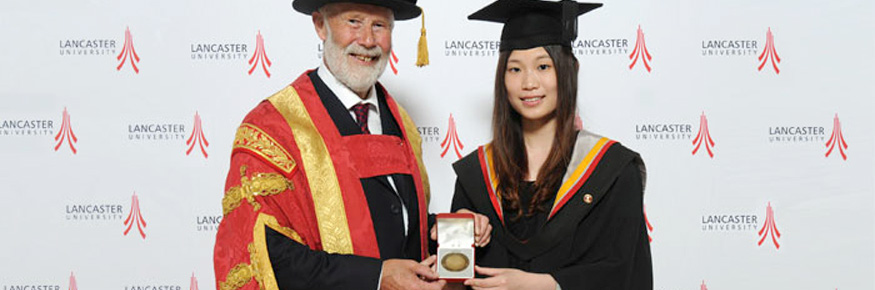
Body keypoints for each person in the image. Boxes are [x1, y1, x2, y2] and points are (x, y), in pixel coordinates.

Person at [213, 0, 491, 289]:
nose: (368, 40)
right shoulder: (274, 128)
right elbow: (267, 255)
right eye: (354, 22)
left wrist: (447, 231)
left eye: (379, 25)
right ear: (320, 25)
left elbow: (389, 223)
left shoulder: (400, 121)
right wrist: (376, 277)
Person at [450, 0, 652, 289]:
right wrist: (457, 234)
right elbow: (454, 278)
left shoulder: (612, 171)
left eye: (543, 66)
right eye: (515, 69)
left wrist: (544, 285)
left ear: (570, 70)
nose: (528, 83)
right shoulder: (477, 175)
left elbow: (626, 274)